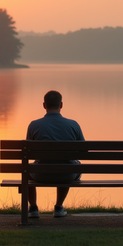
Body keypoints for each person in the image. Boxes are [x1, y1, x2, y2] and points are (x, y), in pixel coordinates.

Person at [26, 90, 85, 218]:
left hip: (41, 174)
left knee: (27, 169)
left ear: (44, 105)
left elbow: (28, 152)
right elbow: (84, 151)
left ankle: (33, 208)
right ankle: (58, 207)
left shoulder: (34, 125)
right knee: (70, 165)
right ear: (61, 105)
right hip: (67, 175)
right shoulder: (73, 125)